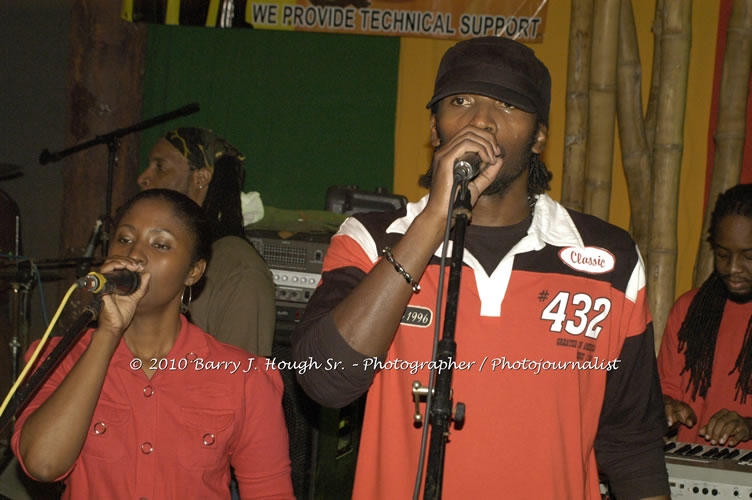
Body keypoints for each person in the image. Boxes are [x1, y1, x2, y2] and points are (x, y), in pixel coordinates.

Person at [291, 36, 669, 499]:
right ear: (435, 127)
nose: (481, 122)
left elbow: (633, 447)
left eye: (508, 104)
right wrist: (433, 220)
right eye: (461, 100)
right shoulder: (371, 240)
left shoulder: (610, 260)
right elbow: (325, 379)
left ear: (539, 136)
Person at [10, 189, 293, 499]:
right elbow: (43, 464)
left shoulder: (243, 376)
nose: (135, 255)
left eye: (160, 244)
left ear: (193, 271)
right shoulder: (58, 356)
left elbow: (269, 492)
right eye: (125, 239)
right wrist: (107, 333)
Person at [137, 128, 277, 356]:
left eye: (160, 166)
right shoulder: (148, 256)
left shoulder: (238, 269)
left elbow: (239, 381)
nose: (142, 177)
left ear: (200, 178)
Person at [658, 183, 752, 449]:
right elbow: (666, 388)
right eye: (723, 254)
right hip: (697, 469)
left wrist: (748, 425)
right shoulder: (690, 309)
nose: (733, 268)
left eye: (749, 256)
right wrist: (668, 407)